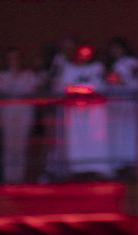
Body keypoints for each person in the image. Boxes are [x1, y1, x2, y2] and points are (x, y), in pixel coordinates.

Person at [56, 45, 112, 178]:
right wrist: (82, 89)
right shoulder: (69, 68)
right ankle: (77, 169)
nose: (84, 56)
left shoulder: (97, 67)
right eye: (82, 53)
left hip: (94, 110)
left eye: (88, 53)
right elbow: (65, 87)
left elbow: (99, 86)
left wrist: (79, 89)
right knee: (76, 140)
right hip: (75, 111)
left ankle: (97, 168)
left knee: (96, 139)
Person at [0, 47, 39, 183]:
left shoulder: (29, 75)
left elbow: (36, 91)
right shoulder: (0, 76)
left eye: (16, 57)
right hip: (6, 113)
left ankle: (19, 179)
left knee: (21, 146)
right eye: (11, 58)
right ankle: (8, 178)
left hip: (24, 113)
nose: (14, 61)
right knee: (8, 145)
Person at [105, 38, 138, 175]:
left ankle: (132, 165)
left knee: (130, 136)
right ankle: (118, 166)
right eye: (112, 49)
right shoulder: (110, 65)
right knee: (116, 137)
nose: (115, 51)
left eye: (117, 48)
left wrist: (121, 81)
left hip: (129, 105)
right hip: (115, 107)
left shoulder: (131, 62)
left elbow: (137, 83)